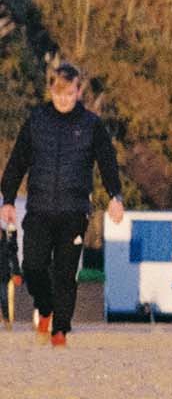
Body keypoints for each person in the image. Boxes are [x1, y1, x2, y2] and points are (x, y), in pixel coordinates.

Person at [0, 63, 125, 347]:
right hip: (39, 210)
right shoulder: (37, 121)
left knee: (65, 274)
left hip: (74, 211)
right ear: (51, 91)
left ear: (78, 91)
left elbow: (107, 164)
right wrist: (7, 200)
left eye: (69, 94)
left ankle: (60, 332)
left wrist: (116, 197)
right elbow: (17, 161)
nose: (63, 100)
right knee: (32, 266)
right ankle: (44, 309)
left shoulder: (92, 126)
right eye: (58, 94)